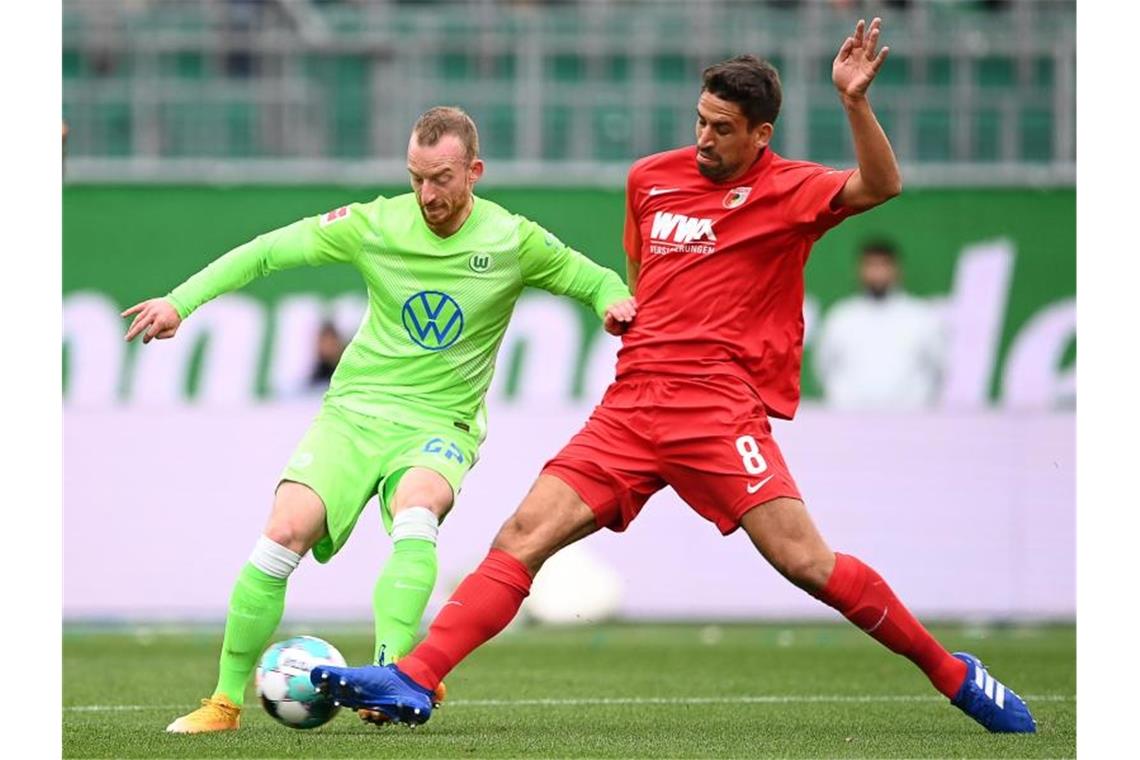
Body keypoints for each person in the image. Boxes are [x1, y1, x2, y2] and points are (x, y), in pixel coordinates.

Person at [313, 19, 1036, 734]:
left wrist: (853, 102)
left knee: (806, 562)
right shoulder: (650, 181)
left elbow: (882, 184)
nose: (704, 138)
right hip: (631, 408)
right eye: (700, 120)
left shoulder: (789, 191)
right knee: (521, 535)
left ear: (761, 134)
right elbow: (643, 276)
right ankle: (415, 678)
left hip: (718, 415)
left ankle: (954, 674)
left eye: (723, 127)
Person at [122, 106, 636, 734]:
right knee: (285, 532)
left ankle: (392, 678)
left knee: (418, 510)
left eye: (441, 178)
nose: (427, 194)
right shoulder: (374, 224)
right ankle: (224, 704)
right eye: (416, 177)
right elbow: (266, 253)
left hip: (441, 422)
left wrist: (612, 302)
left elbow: (595, 277)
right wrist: (180, 302)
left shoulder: (512, 240)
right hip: (355, 412)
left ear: (474, 171)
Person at [814, 239, 947, 409]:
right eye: (871, 266)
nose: (877, 273)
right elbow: (824, 367)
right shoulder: (841, 316)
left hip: (909, 422)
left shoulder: (921, 316)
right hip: (849, 422)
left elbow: (938, 368)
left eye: (883, 265)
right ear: (860, 270)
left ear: (896, 270)